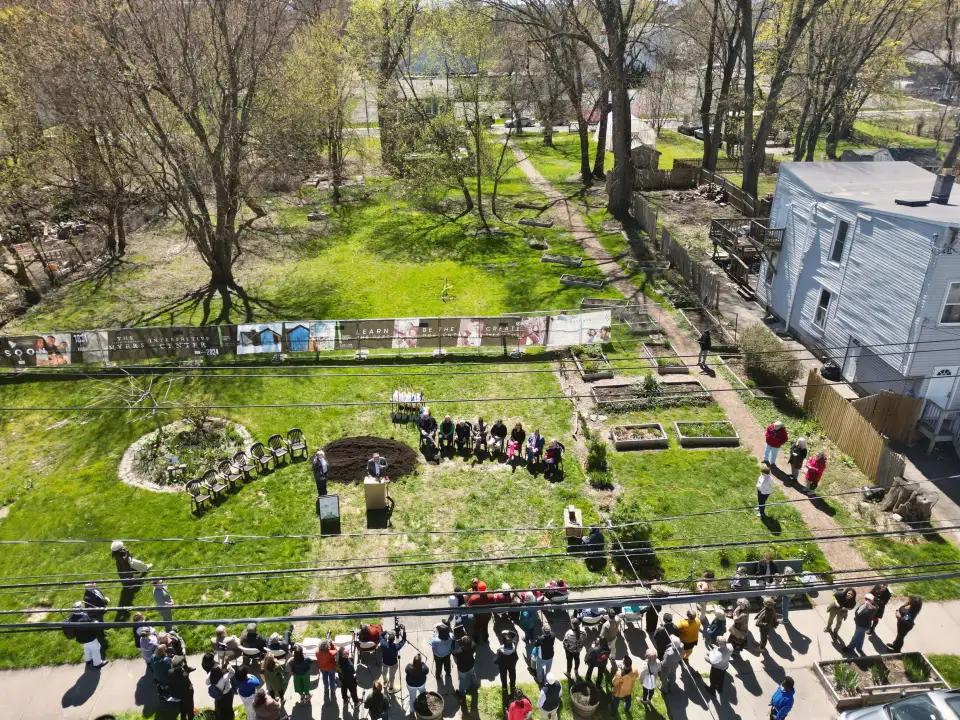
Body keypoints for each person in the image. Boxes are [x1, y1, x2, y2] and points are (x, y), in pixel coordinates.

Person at [66, 602, 107, 667]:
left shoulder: (72, 616)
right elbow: (90, 624)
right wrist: (95, 622)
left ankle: (88, 659)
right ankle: (98, 663)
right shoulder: (83, 618)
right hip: (89, 637)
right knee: (96, 648)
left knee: (87, 647)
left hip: (81, 637)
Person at [169, 655, 195, 720]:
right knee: (190, 707)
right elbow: (188, 686)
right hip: (187, 694)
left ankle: (183, 717)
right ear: (181, 665)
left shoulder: (170, 672)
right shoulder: (184, 675)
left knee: (182, 708)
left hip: (177, 694)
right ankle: (190, 717)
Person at [380, 627, 406, 691]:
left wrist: (386, 631)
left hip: (385, 662)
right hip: (393, 664)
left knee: (384, 673)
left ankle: (385, 682)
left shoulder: (384, 644)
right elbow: (403, 640)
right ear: (394, 639)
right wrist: (404, 631)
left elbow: (380, 635)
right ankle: (391, 688)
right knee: (392, 676)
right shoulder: (396, 647)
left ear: (388, 639)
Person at [452, 632, 477, 698]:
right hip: (471, 664)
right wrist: (466, 639)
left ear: (462, 644)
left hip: (462, 668)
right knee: (472, 675)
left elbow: (453, 652)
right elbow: (472, 642)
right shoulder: (473, 646)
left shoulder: (458, 652)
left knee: (461, 679)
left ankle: (462, 692)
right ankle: (474, 685)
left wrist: (453, 641)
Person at [496, 630, 520, 696]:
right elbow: (515, 635)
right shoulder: (514, 646)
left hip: (503, 666)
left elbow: (495, 661)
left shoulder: (500, 650)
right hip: (512, 665)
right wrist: (509, 632)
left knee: (503, 676)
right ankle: (512, 686)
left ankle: (504, 687)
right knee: (512, 675)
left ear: (503, 642)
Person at [337, 645, 360, 710]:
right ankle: (356, 702)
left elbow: (338, 670)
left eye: (347, 651)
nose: (348, 653)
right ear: (343, 655)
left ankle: (345, 699)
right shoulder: (348, 665)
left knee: (344, 689)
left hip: (342, 679)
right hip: (350, 680)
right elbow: (352, 673)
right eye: (346, 653)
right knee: (353, 692)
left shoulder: (338, 659)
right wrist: (355, 677)